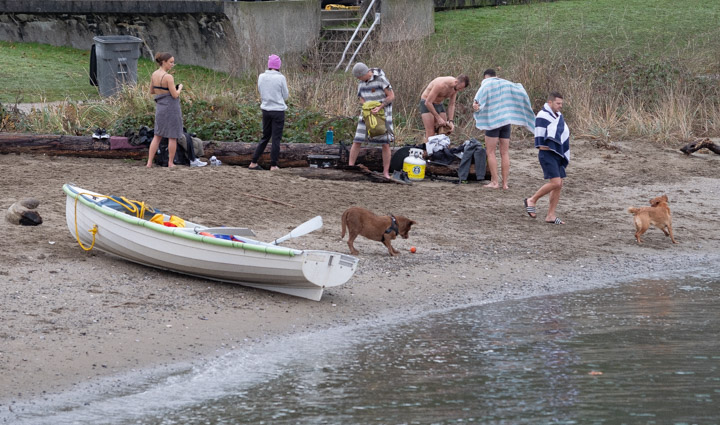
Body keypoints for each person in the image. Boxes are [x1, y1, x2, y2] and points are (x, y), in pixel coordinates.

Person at [472, 69, 535, 189]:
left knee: (490, 152)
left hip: (493, 121)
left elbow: (477, 103)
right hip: (506, 121)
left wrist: (476, 106)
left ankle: (495, 182)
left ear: (486, 77)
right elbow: (520, 90)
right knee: (504, 153)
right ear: (496, 76)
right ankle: (505, 184)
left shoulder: (487, 84)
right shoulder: (507, 84)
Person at [524, 92, 570, 225]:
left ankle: (551, 215)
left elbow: (561, 132)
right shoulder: (542, 115)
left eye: (561, 103)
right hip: (547, 154)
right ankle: (531, 200)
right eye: (558, 103)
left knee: (559, 184)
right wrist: (550, 147)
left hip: (557, 153)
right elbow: (539, 138)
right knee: (555, 182)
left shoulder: (558, 116)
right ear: (550, 103)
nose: (560, 106)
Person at [146, 52, 196, 168]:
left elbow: (152, 91)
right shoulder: (168, 77)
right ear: (164, 62)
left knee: (157, 135)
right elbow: (175, 95)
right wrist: (180, 88)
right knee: (172, 136)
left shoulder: (154, 74)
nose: (172, 64)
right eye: (171, 62)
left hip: (160, 107)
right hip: (171, 108)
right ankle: (170, 162)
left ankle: (149, 162)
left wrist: (162, 91)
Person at [348, 62, 395, 180]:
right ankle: (350, 167)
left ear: (365, 73)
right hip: (366, 115)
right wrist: (366, 107)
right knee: (357, 140)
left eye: (359, 77)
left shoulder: (381, 79)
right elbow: (361, 98)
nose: (358, 79)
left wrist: (379, 106)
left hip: (382, 115)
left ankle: (385, 172)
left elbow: (391, 96)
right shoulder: (361, 83)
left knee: (385, 143)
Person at [249, 54, 289, 171]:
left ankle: (253, 162)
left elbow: (260, 91)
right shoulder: (281, 78)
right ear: (278, 66)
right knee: (276, 139)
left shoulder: (261, 76)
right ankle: (273, 165)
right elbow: (285, 95)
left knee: (265, 137)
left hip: (265, 109)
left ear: (269, 65)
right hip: (278, 111)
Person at [419, 75, 469, 141]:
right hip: (427, 103)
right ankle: (427, 150)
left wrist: (451, 121)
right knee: (431, 132)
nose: (460, 90)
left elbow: (451, 104)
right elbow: (428, 102)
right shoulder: (440, 85)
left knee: (444, 130)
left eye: (462, 88)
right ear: (456, 82)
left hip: (439, 104)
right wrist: (438, 118)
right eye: (460, 88)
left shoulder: (455, 88)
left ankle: (440, 150)